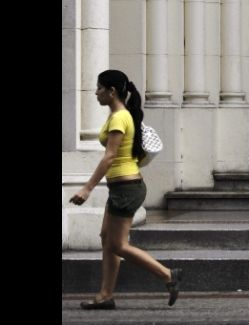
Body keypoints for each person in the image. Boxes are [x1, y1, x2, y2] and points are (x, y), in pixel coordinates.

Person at [69, 70, 182, 309]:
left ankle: (168, 275)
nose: (96, 92)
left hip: (126, 187)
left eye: (99, 88)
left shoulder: (120, 117)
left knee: (118, 245)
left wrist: (87, 188)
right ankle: (105, 296)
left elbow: (110, 157)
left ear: (112, 92)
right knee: (106, 239)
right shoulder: (119, 115)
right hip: (122, 186)